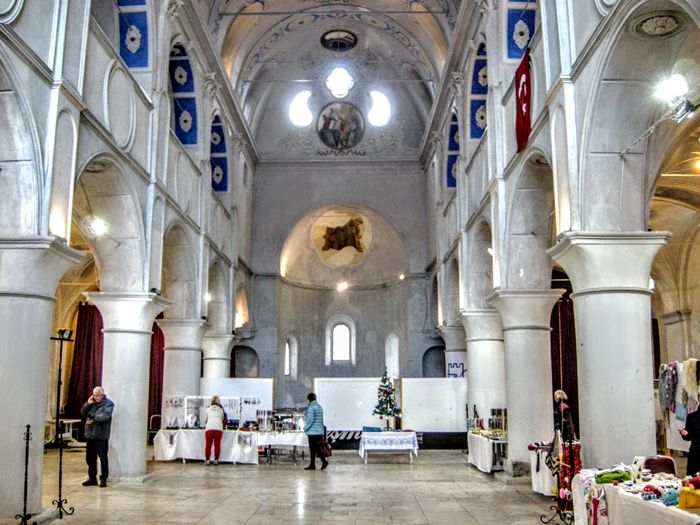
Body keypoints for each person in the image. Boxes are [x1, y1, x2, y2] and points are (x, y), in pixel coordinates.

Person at [81, 386, 115, 487]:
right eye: (94, 395)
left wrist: (94, 418)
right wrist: (88, 404)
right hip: (90, 435)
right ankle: (92, 478)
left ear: (102, 395)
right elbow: (83, 413)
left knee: (103, 458)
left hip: (101, 436)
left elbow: (106, 416)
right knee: (90, 458)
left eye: (98, 396)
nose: (96, 397)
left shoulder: (109, 404)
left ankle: (103, 478)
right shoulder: (91, 403)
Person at [303, 392, 328, 470]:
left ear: (309, 399)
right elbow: (321, 421)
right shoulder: (319, 407)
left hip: (313, 432)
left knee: (314, 449)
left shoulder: (311, 407)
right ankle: (314, 464)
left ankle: (321, 462)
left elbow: (310, 420)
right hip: (319, 432)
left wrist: (305, 428)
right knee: (317, 448)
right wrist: (322, 431)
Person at [204, 395, 227, 465]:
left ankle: (207, 460)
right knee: (217, 445)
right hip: (218, 428)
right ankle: (216, 460)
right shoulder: (220, 410)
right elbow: (222, 418)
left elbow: (206, 418)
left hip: (209, 428)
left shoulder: (208, 409)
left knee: (208, 445)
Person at [680, 409, 700, 476]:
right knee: (692, 479)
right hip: (696, 453)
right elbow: (688, 437)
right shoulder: (692, 416)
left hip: (695, 452)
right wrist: (685, 434)